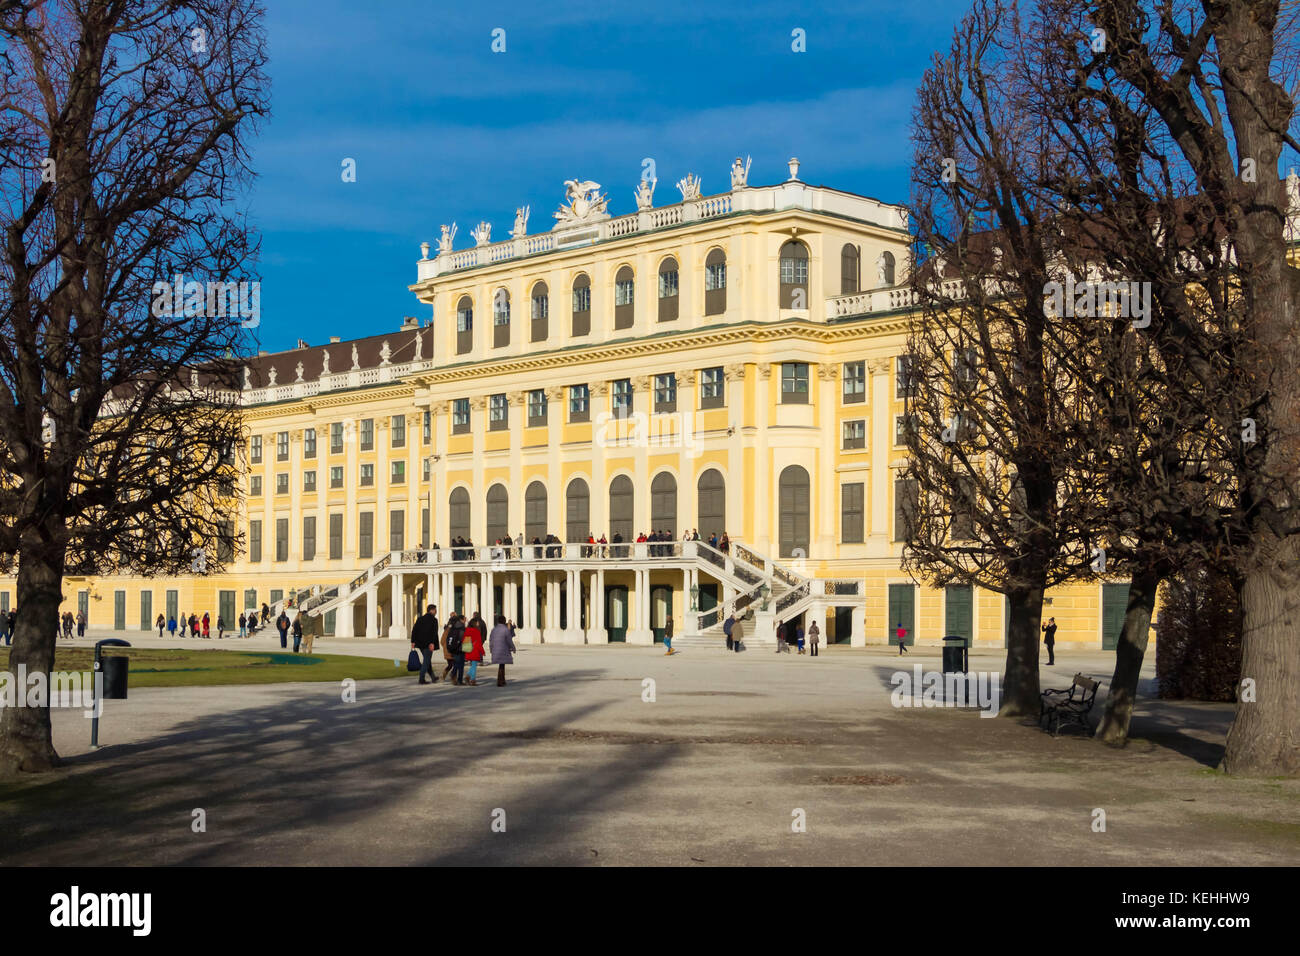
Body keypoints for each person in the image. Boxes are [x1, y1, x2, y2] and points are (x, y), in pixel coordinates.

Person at [411, 604, 440, 684]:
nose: (436, 611)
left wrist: (413, 641)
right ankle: (421, 678)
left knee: (427, 661)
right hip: (428, 644)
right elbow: (434, 633)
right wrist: (432, 643)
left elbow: (414, 630)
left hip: (420, 643)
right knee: (426, 661)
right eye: (435, 610)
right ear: (432, 610)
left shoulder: (420, 619)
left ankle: (433, 677)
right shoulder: (434, 620)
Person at [489, 614, 516, 686]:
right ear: (504, 621)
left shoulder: (494, 629)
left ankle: (502, 680)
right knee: (502, 665)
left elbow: (491, 640)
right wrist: (513, 648)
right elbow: (509, 640)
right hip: (503, 650)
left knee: (501, 665)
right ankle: (500, 681)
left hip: (496, 649)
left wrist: (491, 649)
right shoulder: (505, 629)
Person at [464, 615, 485, 684]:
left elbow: (465, 641)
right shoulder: (477, 631)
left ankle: (468, 677)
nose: (478, 623)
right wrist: (482, 651)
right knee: (474, 665)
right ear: (474, 624)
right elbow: (479, 643)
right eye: (477, 623)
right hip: (475, 650)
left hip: (468, 649)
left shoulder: (466, 630)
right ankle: (472, 679)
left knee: (473, 665)